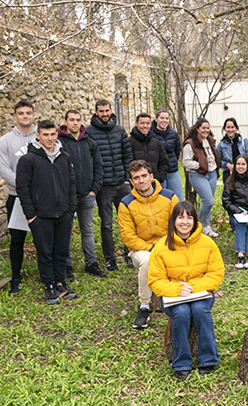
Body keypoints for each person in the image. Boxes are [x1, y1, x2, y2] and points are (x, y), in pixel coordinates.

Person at [148, 201, 225, 380]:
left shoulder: (207, 243)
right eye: (180, 217)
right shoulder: (161, 246)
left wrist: (193, 288)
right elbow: (155, 280)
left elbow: (216, 273)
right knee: (182, 313)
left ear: (195, 220)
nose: (185, 222)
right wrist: (177, 289)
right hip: (172, 298)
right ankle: (182, 362)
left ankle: (209, 359)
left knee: (199, 310)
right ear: (173, 220)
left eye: (189, 217)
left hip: (201, 294)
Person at [16, 119, 78, 305]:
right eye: (45, 135)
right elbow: (22, 189)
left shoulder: (64, 157)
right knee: (45, 252)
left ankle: (61, 282)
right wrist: (31, 216)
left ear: (57, 134)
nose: (49, 138)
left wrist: (71, 209)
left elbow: (71, 184)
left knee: (61, 250)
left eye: (52, 134)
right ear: (38, 135)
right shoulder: (28, 159)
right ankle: (49, 285)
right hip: (40, 216)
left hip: (63, 213)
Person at [118, 160, 179, 329]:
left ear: (151, 176)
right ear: (131, 182)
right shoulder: (126, 203)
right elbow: (128, 237)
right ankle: (144, 306)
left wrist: (166, 245)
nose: (141, 180)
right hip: (141, 249)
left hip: (167, 244)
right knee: (148, 260)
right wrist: (152, 249)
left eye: (144, 176)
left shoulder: (169, 197)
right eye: (136, 178)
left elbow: (180, 225)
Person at [57, 109, 107, 279]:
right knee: (66, 231)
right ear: (65, 122)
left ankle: (91, 264)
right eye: (71, 120)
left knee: (87, 229)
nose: (75, 123)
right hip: (67, 196)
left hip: (87, 194)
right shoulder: (59, 143)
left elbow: (99, 166)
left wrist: (94, 190)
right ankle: (67, 266)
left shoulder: (89, 142)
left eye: (78, 120)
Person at [86, 99, 134, 271]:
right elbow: (89, 159)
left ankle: (129, 254)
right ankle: (109, 258)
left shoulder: (120, 130)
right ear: (96, 112)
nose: (105, 114)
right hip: (104, 186)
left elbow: (127, 155)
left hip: (122, 183)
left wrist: (128, 178)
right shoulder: (89, 132)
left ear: (111, 110)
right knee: (106, 224)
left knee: (127, 221)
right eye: (101, 111)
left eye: (107, 110)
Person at [0, 100, 37, 294]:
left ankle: (50, 275)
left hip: (39, 197)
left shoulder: (42, 137)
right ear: (15, 116)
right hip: (16, 196)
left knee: (44, 238)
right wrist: (24, 188)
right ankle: (15, 277)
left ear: (33, 115)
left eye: (28, 113)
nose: (25, 116)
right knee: (16, 239)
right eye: (21, 113)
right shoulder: (5, 141)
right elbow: (5, 170)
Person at [221, 155, 248, 269]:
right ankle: (240, 255)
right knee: (240, 223)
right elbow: (226, 200)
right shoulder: (230, 180)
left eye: (243, 164)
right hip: (236, 213)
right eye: (238, 164)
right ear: (235, 166)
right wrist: (238, 212)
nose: (240, 167)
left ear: (247, 166)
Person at [182, 118, 221, 238]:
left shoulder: (210, 140)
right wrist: (200, 165)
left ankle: (206, 226)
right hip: (198, 174)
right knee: (208, 200)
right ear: (197, 129)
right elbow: (186, 162)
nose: (206, 130)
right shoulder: (190, 144)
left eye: (208, 128)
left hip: (212, 173)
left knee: (208, 202)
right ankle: (195, 225)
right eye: (203, 128)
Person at [151, 108, 185, 203]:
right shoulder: (150, 133)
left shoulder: (173, 133)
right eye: (162, 118)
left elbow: (177, 151)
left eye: (167, 118)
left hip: (172, 171)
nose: (164, 121)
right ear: (156, 119)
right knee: (161, 201)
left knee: (178, 200)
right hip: (157, 172)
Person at [215, 117, 248, 184]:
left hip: (244, 172)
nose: (230, 129)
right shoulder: (221, 144)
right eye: (228, 127)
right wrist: (227, 164)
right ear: (224, 129)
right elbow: (217, 160)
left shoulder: (244, 142)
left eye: (232, 127)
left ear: (236, 128)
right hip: (229, 174)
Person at [130, 113, 169, 180]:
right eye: (142, 123)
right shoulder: (129, 142)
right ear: (136, 123)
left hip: (154, 181)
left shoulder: (156, 143)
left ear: (150, 124)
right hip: (137, 182)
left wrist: (159, 177)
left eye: (148, 123)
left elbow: (164, 161)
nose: (145, 126)